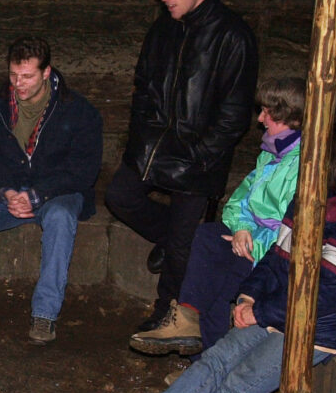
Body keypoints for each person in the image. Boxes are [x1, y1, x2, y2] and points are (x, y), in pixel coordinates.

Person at [96, 122, 336, 393]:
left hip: (328, 324)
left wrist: (263, 313)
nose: (304, 163)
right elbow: (277, 258)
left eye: (313, 157)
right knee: (217, 359)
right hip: (286, 306)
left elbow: (328, 293)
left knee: (238, 384)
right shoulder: (311, 197)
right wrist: (250, 297)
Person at [106, 0, 258, 334]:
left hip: (198, 157)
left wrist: (200, 154)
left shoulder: (232, 35)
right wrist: (141, 136)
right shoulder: (163, 30)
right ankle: (168, 235)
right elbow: (143, 87)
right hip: (154, 148)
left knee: (180, 246)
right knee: (120, 196)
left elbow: (235, 113)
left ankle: (168, 313)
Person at [0, 37, 102, 344]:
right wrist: (4, 191)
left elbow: (83, 170)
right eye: (13, 75)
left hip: (57, 193)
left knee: (61, 217)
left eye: (27, 76)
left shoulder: (77, 110)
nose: (19, 84)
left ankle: (45, 313)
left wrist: (39, 194)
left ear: (46, 72)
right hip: (10, 194)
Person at [131, 77, 305, 356]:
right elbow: (239, 199)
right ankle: (188, 322)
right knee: (208, 237)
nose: (260, 119)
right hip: (250, 237)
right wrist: (242, 228)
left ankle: (205, 357)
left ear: (290, 117)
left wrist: (250, 240)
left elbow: (290, 227)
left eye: (267, 113)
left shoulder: (302, 163)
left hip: (274, 251)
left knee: (223, 271)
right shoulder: (272, 152)